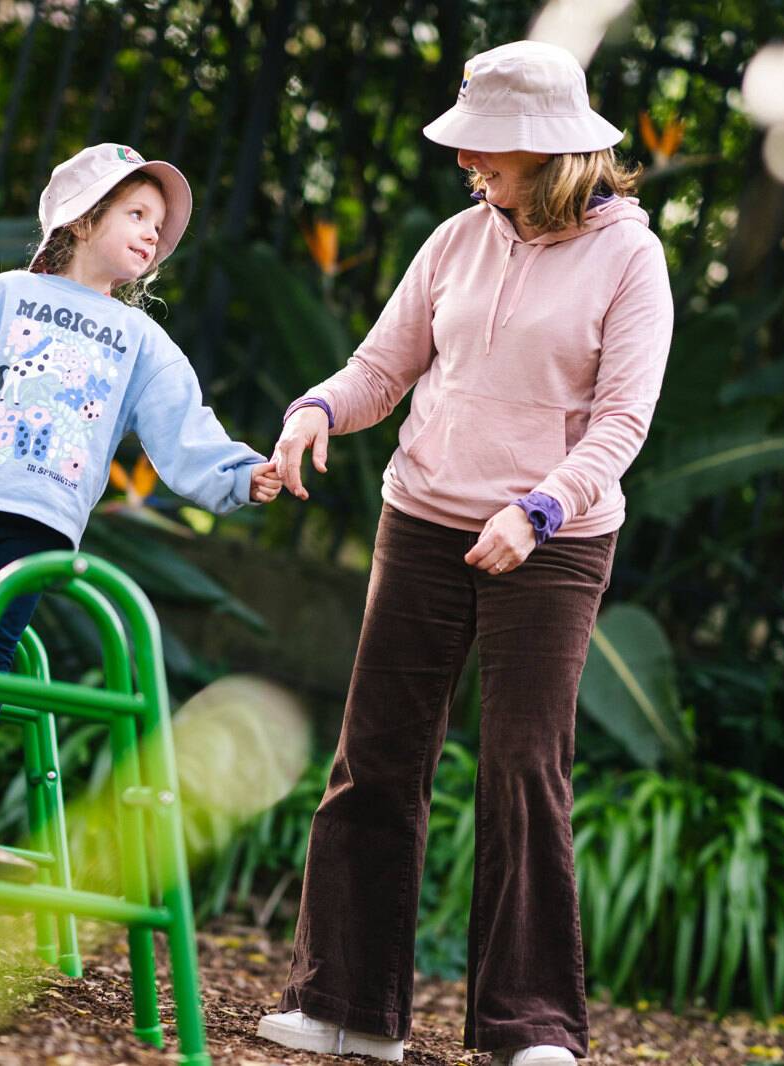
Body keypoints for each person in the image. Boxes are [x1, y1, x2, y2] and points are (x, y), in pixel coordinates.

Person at [255, 40, 673, 1066]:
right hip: (424, 516)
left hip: (555, 538)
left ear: (542, 148)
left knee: (523, 765)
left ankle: (532, 1030)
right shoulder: (456, 237)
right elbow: (381, 366)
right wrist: (316, 410)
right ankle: (348, 1007)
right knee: (376, 757)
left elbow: (621, 422)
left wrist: (536, 510)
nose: (463, 162)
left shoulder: (629, 258)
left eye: (482, 145)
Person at [0, 143, 282, 835]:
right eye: (136, 213)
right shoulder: (7, 296)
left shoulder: (141, 339)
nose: (152, 231)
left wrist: (239, 475)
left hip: (44, 516)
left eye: (158, 223)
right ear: (82, 223)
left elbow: (183, 422)